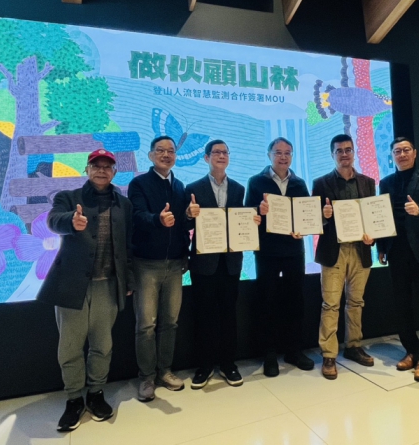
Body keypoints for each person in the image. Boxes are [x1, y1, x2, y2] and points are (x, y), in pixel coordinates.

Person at [38, 149, 134, 432]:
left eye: (107, 166)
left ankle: (95, 393)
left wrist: (128, 280)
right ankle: (73, 399)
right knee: (70, 347)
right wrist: (71, 221)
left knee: (102, 345)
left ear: (114, 172)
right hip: (72, 285)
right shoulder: (68, 198)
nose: (101, 170)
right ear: (87, 169)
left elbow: (128, 245)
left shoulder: (124, 204)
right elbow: (53, 220)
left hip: (108, 285)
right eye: (96, 165)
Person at [185, 140, 261, 389]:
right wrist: (188, 215)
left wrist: (253, 220)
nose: (221, 156)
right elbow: (186, 225)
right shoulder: (192, 188)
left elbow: (242, 220)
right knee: (204, 315)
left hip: (231, 262)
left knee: (229, 315)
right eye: (216, 152)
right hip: (203, 262)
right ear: (206, 158)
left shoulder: (238, 188)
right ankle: (204, 366)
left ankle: (229, 364)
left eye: (224, 152)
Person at [127, 136, 192, 402]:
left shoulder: (180, 186)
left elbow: (182, 226)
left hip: (175, 264)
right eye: (161, 150)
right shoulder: (139, 183)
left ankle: (165, 371)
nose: (166, 155)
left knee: (170, 322)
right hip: (146, 264)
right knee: (146, 325)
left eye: (171, 151)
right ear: (151, 155)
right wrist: (158, 219)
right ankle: (146, 377)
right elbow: (137, 216)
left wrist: (189, 217)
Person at [377, 137, 419, 381]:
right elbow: (382, 217)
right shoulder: (385, 182)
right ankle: (411, 351)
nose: (402, 154)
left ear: (414, 153)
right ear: (392, 156)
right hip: (397, 251)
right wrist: (381, 247)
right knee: (402, 305)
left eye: (406, 150)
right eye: (397, 151)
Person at [245, 137, 315, 377]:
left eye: (287, 153)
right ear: (269, 155)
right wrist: (258, 210)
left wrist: (304, 228)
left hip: (294, 250)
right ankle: (269, 354)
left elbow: (306, 215)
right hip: (267, 251)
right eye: (278, 152)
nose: (283, 157)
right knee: (267, 302)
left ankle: (294, 351)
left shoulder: (299, 183)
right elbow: (247, 215)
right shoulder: (256, 182)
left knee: (295, 301)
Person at [312, 134, 376, 380]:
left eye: (348, 149)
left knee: (356, 302)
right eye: (339, 150)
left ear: (354, 152)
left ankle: (353, 346)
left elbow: (373, 216)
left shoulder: (368, 182)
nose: (344, 154)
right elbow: (314, 220)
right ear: (332, 154)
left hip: (360, 250)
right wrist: (324, 215)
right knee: (330, 304)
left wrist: (373, 236)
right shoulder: (320, 183)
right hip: (333, 252)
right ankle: (329, 354)